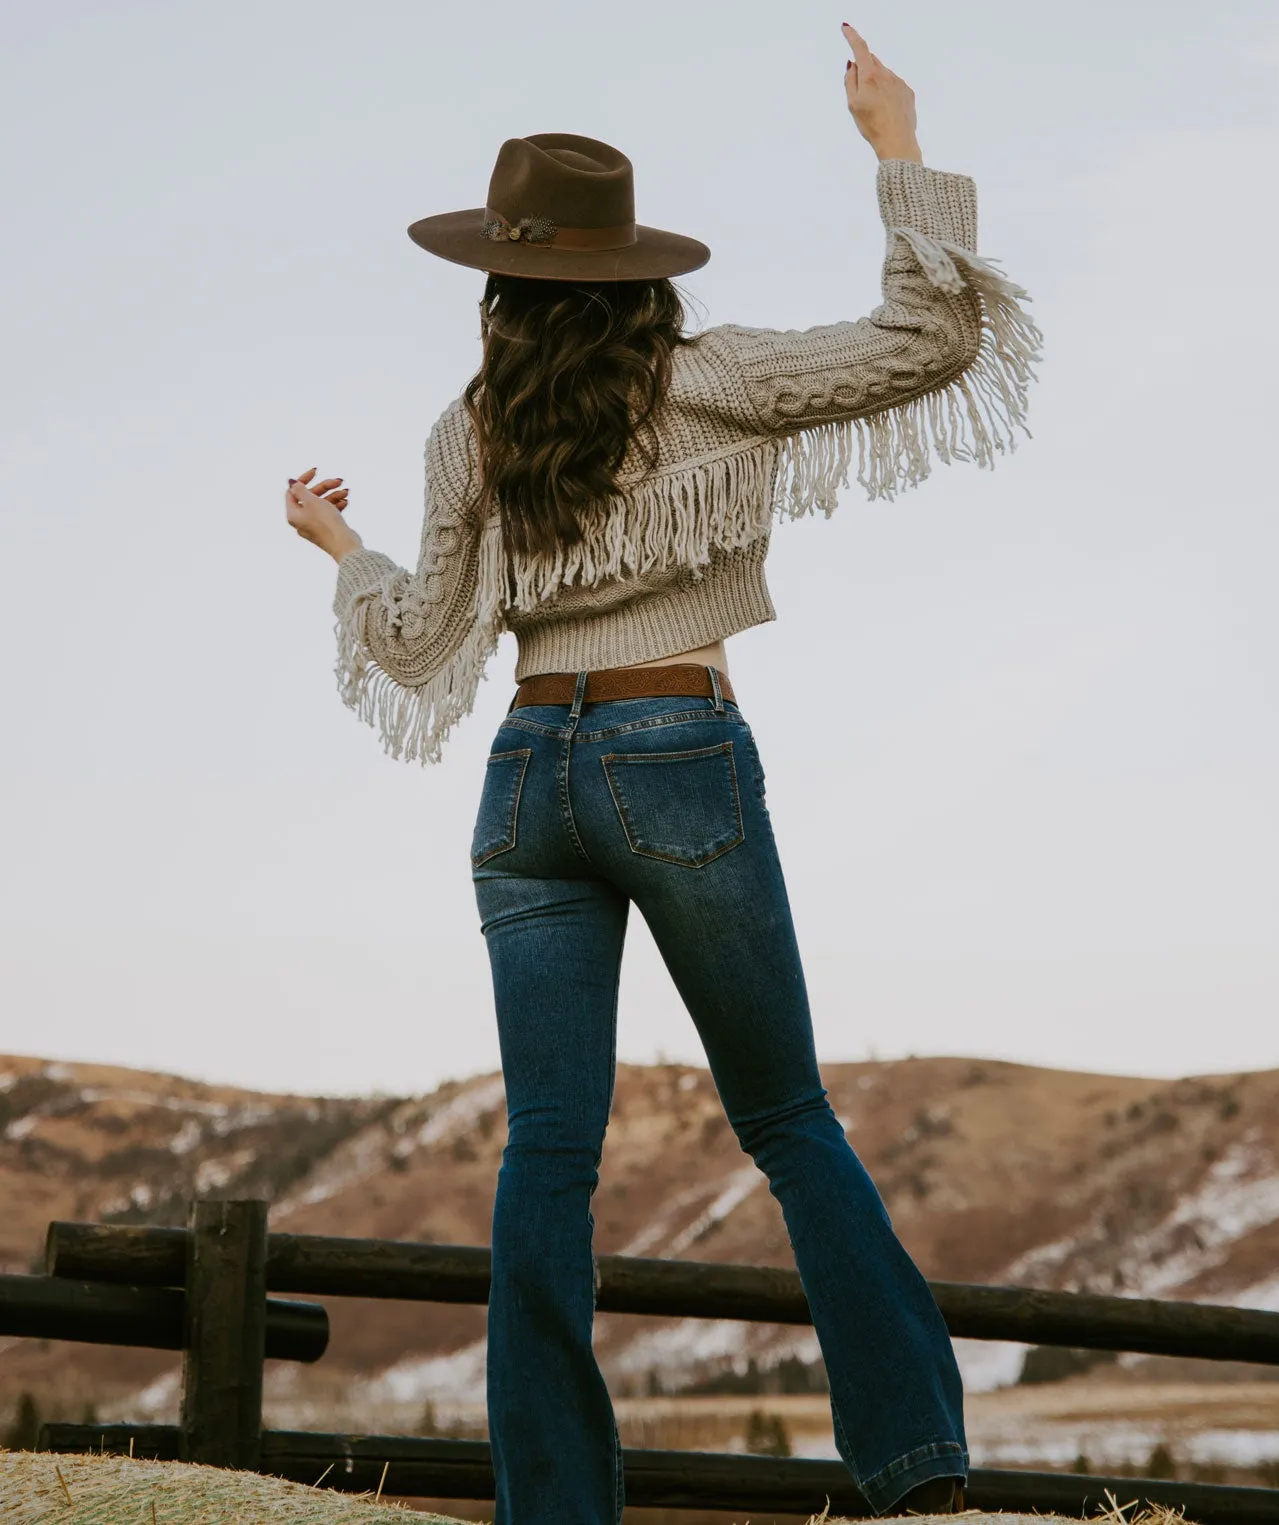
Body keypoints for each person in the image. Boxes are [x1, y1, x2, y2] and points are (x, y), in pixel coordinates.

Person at [285, 22, 1039, 1523]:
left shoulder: (472, 430)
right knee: (786, 1122)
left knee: (546, 1160)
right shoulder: (709, 381)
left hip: (521, 779)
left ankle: (552, 1506)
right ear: (638, 272)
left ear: (500, 285)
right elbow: (932, 341)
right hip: (671, 748)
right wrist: (896, 147)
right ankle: (913, 1471)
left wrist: (339, 550)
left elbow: (426, 637)